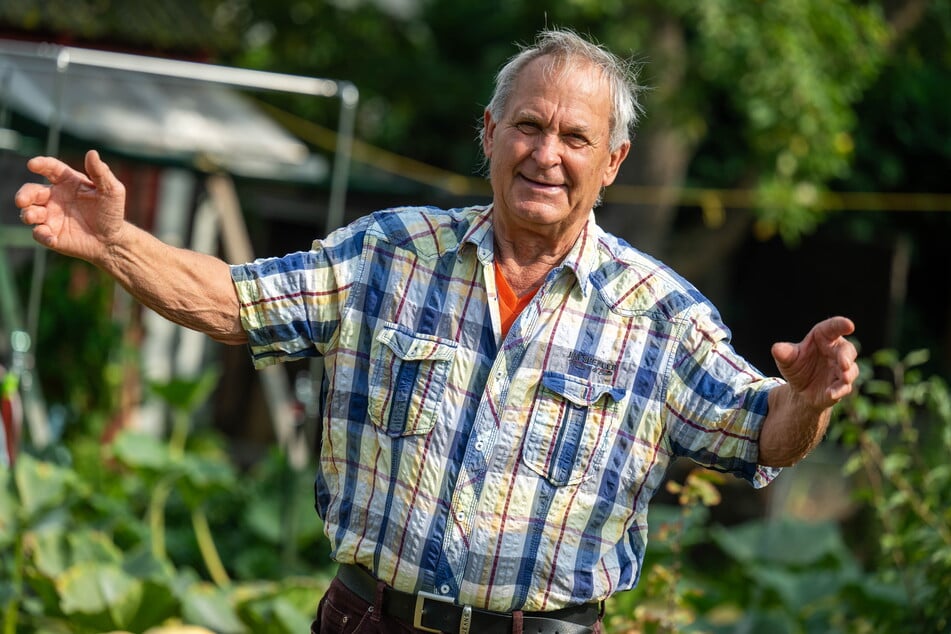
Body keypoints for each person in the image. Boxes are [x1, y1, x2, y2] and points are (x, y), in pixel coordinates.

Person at [15, 28, 858, 634]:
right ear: (489, 133)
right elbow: (235, 302)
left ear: (613, 162)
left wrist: (806, 397)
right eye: (527, 125)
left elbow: (760, 434)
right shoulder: (389, 252)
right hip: (370, 618)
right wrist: (119, 244)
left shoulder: (660, 313)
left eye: (575, 137)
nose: (546, 154)